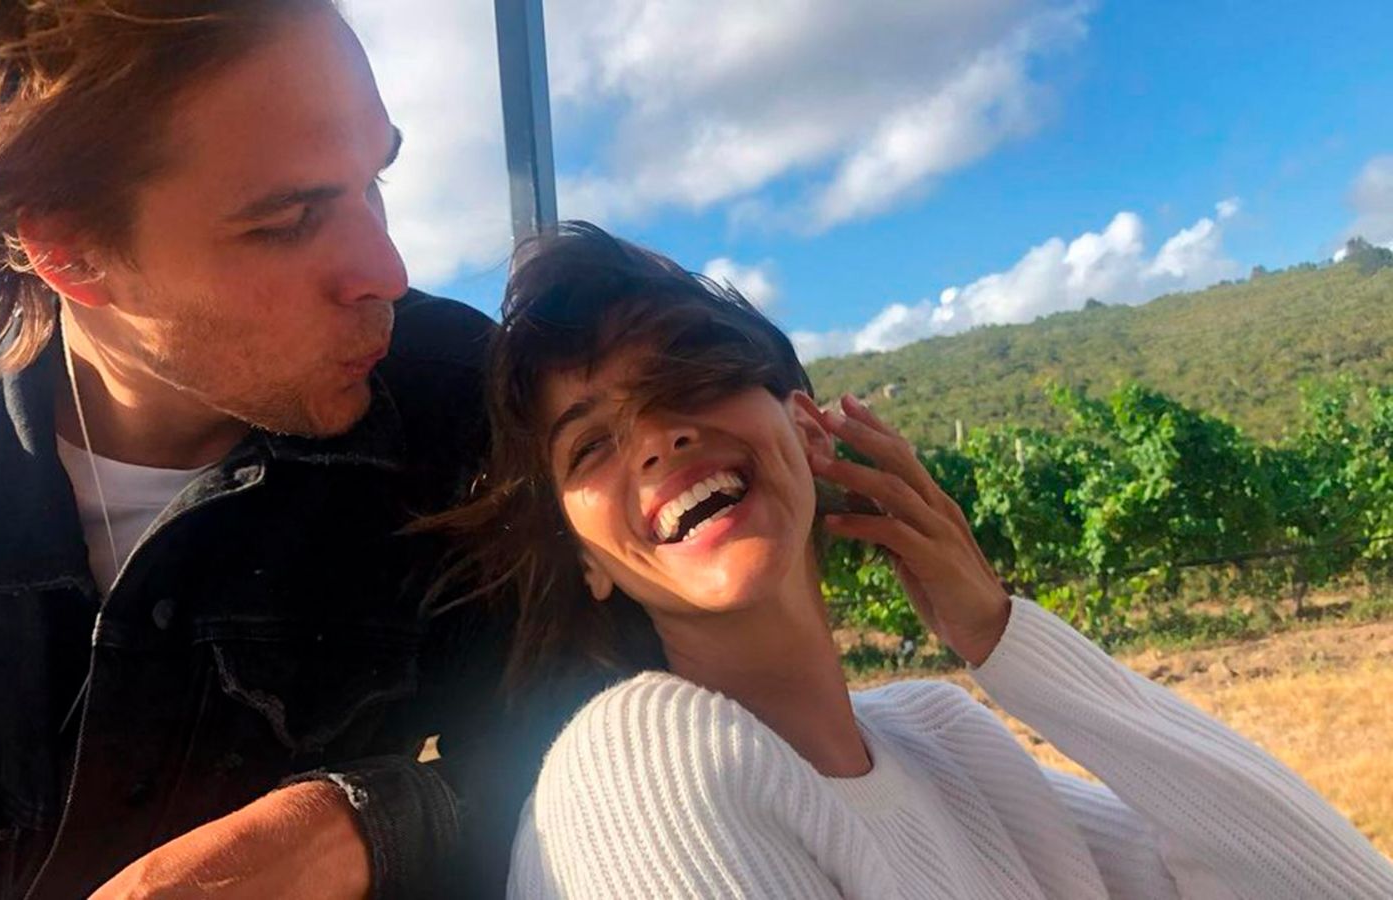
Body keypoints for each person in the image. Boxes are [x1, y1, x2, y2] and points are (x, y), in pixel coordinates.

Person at [0, 2, 544, 897]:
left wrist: (360, 828)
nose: (387, 270)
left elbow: (615, 729)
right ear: (70, 251)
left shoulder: (471, 417)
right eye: (288, 220)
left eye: (374, 180)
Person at [441, 221, 1393, 898]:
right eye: (590, 446)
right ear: (589, 565)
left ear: (808, 428)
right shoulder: (633, 769)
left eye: (688, 377)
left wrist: (1002, 633)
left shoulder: (948, 740)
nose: (658, 439)